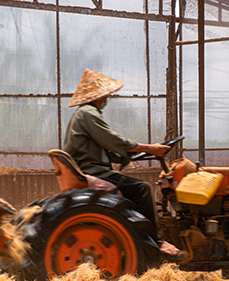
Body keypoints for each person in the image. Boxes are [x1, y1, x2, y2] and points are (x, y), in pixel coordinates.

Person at [63, 69, 169, 233]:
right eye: (106, 95)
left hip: (91, 168)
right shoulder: (87, 113)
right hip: (94, 172)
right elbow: (112, 140)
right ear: (98, 95)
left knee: (136, 189)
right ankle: (155, 239)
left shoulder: (84, 114)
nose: (107, 99)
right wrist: (149, 148)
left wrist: (131, 153)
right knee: (142, 189)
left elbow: (106, 148)